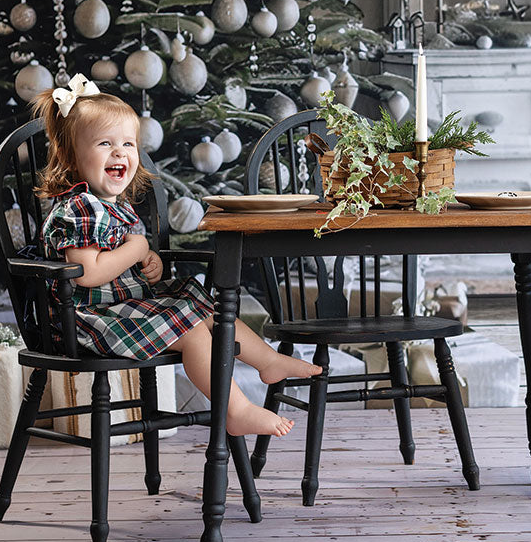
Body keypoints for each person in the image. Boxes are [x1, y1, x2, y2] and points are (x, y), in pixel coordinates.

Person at [33, 74, 321, 437]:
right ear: (72, 157)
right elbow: (88, 274)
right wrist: (136, 248)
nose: (120, 152)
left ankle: (267, 360)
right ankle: (236, 409)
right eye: (105, 144)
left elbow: (120, 261)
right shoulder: (80, 207)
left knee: (197, 300)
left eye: (128, 144)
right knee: (191, 326)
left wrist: (147, 263)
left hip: (122, 308)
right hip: (87, 321)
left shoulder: (112, 206)